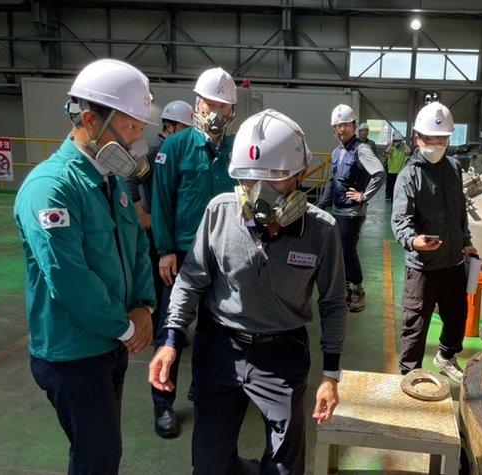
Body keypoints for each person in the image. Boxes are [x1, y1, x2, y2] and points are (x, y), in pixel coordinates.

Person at [148, 109, 347, 474]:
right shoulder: (219, 213)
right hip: (220, 349)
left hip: (282, 354)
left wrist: (331, 375)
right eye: (249, 180)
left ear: (302, 175)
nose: (260, 193)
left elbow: (334, 303)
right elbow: (191, 279)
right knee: (209, 465)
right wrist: (171, 339)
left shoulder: (322, 231)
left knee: (284, 468)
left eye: (275, 179)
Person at [13, 58, 156, 474]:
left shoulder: (109, 182)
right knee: (98, 455)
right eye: (129, 129)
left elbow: (135, 246)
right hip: (72, 353)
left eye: (138, 131)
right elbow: (69, 278)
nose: (135, 143)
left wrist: (144, 305)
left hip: (110, 344)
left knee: (99, 451)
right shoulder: (50, 188)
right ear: (91, 120)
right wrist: (127, 326)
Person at [150, 67, 237, 438]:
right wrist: (166, 250)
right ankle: (162, 406)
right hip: (184, 256)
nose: (217, 112)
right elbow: (161, 202)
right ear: (198, 104)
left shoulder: (236, 151)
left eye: (224, 105)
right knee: (171, 332)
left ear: (232, 111)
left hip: (224, 258)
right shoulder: (175, 147)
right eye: (211, 103)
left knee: (213, 330)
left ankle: (200, 388)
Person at [391, 101, 478, 383]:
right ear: (417, 138)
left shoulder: (454, 168)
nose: (437, 144)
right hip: (423, 266)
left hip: (453, 261)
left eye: (442, 139)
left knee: (457, 314)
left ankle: (446, 355)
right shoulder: (409, 175)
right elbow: (400, 221)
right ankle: (409, 372)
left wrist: (466, 242)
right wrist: (414, 241)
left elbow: (459, 211)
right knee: (416, 323)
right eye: (431, 138)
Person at [127, 100, 193, 318]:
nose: (187, 134)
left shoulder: (172, 148)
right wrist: (141, 215)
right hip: (155, 225)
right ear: (170, 125)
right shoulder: (156, 149)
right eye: (185, 128)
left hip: (164, 223)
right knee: (161, 278)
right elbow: (129, 178)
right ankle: (159, 328)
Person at [318, 104, 385, 313]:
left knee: (347, 251)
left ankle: (358, 291)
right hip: (337, 211)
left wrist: (363, 196)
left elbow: (379, 173)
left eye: (346, 125)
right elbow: (332, 181)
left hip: (352, 212)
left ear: (354, 125)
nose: (342, 129)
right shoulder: (338, 151)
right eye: (338, 126)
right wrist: (320, 206)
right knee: (340, 251)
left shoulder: (361, 149)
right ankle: (346, 289)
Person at [383, 130, 411, 201]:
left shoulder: (402, 149)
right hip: (391, 171)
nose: (397, 142)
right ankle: (389, 196)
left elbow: (409, 151)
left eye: (399, 140)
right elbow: (386, 152)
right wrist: (392, 143)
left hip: (400, 171)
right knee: (390, 186)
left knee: (398, 187)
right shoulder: (391, 148)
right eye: (396, 140)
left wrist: (404, 143)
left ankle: (395, 198)